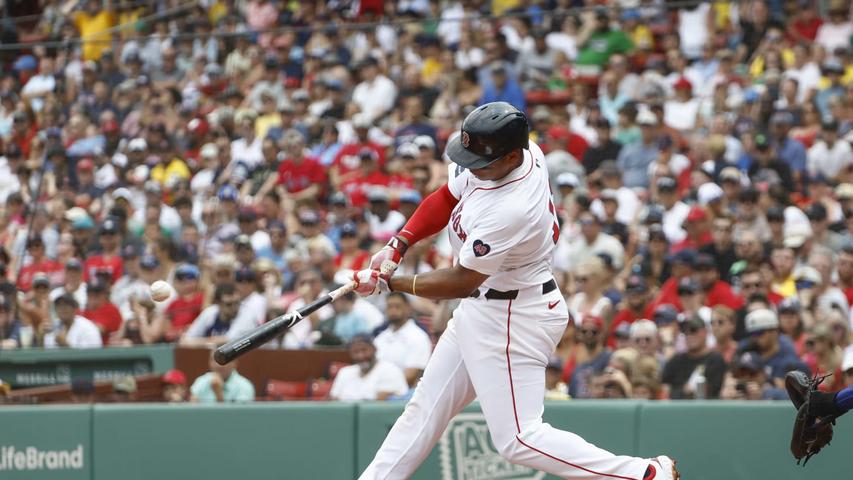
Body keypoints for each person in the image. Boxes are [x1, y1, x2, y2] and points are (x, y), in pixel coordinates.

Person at [351, 103, 678, 479]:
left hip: (513, 315)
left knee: (518, 439)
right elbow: (446, 196)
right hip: (486, 306)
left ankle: (644, 475)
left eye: (480, 160)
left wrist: (389, 282)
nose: (471, 166)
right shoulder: (514, 154)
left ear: (511, 156)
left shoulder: (512, 207)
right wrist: (399, 243)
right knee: (423, 410)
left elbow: (461, 281)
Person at [372, 292, 432, 388]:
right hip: (376, 389)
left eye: (397, 306)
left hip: (403, 393)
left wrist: (384, 389)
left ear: (408, 308)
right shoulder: (380, 337)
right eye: (389, 306)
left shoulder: (418, 336)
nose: (393, 310)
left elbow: (411, 376)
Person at [661, 315, 726, 399]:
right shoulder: (675, 361)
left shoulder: (715, 360)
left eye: (693, 330)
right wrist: (685, 391)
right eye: (685, 331)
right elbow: (664, 391)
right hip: (677, 409)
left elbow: (716, 392)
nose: (689, 335)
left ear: (705, 332)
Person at [329, 334, 409, 401]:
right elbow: (333, 400)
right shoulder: (345, 372)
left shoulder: (390, 370)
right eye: (356, 352)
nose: (361, 356)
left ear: (374, 349)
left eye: (364, 350)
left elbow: (378, 404)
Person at [189, 351, 255, 403]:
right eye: (215, 360)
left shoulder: (245, 386)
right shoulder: (201, 381)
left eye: (224, 359)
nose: (218, 365)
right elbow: (192, 413)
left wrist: (219, 394)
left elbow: (238, 417)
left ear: (235, 363)